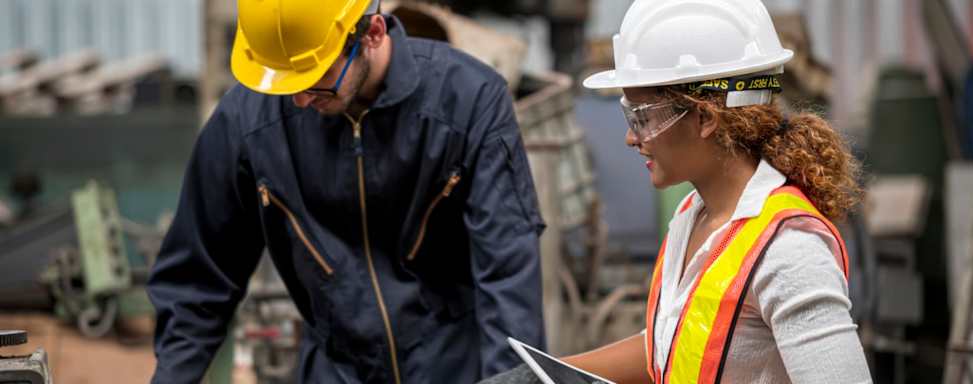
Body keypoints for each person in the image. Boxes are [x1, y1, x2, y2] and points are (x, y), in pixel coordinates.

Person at [146, 0, 547, 382]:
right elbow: (197, 282)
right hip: (334, 371)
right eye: (287, 84)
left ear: (371, 33)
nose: (300, 100)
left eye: (316, 81)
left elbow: (507, 275)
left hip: (455, 367)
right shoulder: (246, 121)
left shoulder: (470, 101)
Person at [483, 0, 872, 383]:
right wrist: (542, 374)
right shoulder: (694, 214)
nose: (631, 137)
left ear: (704, 117)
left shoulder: (789, 250)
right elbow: (672, 343)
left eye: (643, 117)